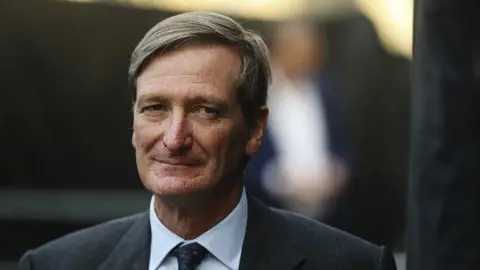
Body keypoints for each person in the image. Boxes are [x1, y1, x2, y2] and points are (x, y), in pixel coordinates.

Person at [17, 12, 396, 270]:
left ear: (255, 129)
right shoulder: (54, 266)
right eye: (155, 108)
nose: (175, 138)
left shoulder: (353, 265)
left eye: (206, 111)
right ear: (132, 123)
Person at [244, 20, 351, 219]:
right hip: (270, 213)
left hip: (327, 214)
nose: (308, 58)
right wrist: (280, 181)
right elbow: (241, 155)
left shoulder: (328, 91)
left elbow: (343, 146)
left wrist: (337, 173)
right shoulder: (256, 92)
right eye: (301, 50)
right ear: (281, 49)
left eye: (314, 51)